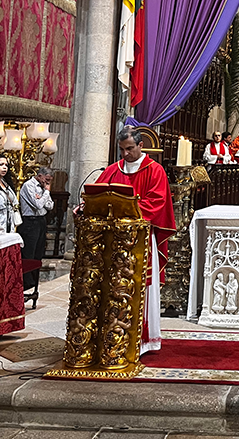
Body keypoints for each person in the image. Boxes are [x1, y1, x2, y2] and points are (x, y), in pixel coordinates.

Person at [97, 127, 176, 354]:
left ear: (141, 146)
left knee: (140, 285)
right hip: (113, 241)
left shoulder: (155, 171)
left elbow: (157, 202)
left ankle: (142, 339)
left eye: (130, 148)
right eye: (122, 149)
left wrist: (125, 209)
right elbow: (98, 195)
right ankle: (112, 333)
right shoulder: (113, 171)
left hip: (140, 239)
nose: (125, 154)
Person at [18, 167, 55, 290]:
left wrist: (44, 195)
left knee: (38, 253)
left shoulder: (44, 189)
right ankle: (26, 282)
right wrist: (46, 193)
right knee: (29, 252)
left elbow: (50, 205)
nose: (48, 183)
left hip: (41, 221)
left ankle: (33, 282)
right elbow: (38, 204)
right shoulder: (28, 185)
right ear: (39, 176)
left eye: (50, 181)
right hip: (30, 222)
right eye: (47, 180)